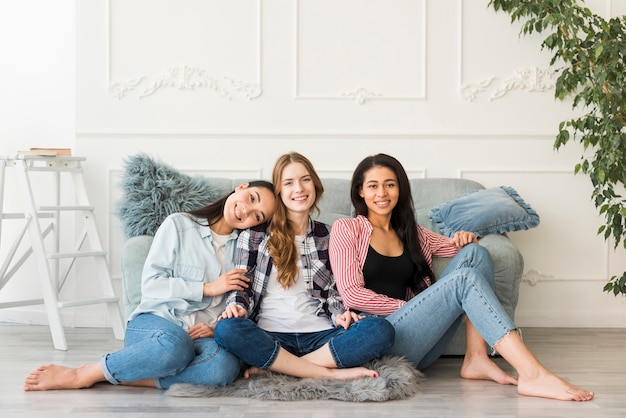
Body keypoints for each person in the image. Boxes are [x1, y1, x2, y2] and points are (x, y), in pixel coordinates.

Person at [329, 153, 594, 401]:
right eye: (373, 186)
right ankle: (533, 374)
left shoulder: (413, 233)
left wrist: (465, 239)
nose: (382, 193)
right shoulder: (347, 229)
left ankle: (476, 357)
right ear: (360, 192)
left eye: (390, 185)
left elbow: (456, 249)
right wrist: (413, 308)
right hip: (380, 341)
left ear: (400, 189)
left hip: (418, 341)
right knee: (464, 279)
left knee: (476, 254)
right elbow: (353, 294)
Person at [23, 181, 277, 391]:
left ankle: (130, 375)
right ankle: (84, 374)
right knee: (175, 345)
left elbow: (238, 306)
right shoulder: (179, 225)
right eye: (251, 198)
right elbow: (152, 285)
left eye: (257, 216)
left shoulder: (245, 253)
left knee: (224, 367)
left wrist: (215, 329)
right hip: (155, 326)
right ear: (241, 187)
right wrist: (207, 288)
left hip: (200, 336)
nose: (247, 211)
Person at [215, 152, 394, 380]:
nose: (299, 189)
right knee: (226, 329)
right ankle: (330, 374)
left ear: (315, 185)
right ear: (279, 192)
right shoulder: (254, 235)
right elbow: (242, 287)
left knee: (380, 330)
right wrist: (237, 307)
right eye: (289, 183)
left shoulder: (330, 234)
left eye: (305, 179)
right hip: (270, 337)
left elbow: (335, 290)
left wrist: (340, 314)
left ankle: (282, 368)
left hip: (321, 337)